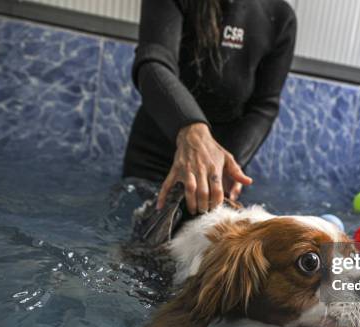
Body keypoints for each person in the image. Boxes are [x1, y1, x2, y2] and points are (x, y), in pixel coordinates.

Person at [123, 0, 297, 215]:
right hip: (152, 165)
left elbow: (264, 106)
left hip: (220, 175)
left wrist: (224, 166)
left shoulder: (280, 16)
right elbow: (153, 64)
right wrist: (192, 130)